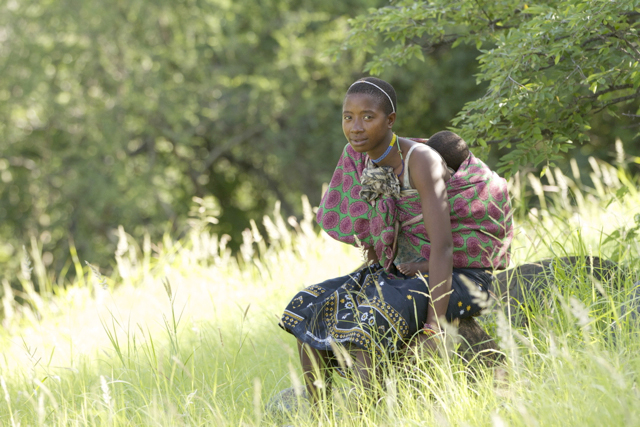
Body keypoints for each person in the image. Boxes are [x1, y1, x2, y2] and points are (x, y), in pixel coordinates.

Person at [279, 77, 513, 403]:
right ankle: (320, 416)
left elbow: (443, 246)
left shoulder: (421, 161)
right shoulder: (363, 158)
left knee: (372, 318)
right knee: (309, 307)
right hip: (404, 270)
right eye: (348, 117)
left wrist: (434, 325)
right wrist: (372, 277)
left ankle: (366, 415)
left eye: (367, 117)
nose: (356, 127)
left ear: (390, 120)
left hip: (458, 274)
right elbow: (378, 229)